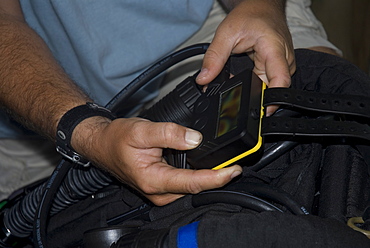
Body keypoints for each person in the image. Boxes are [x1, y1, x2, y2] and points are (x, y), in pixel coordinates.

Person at [0, 0, 338, 206]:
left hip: (214, 20)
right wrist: (84, 130)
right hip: (33, 93)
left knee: (327, 108)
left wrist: (263, 5)